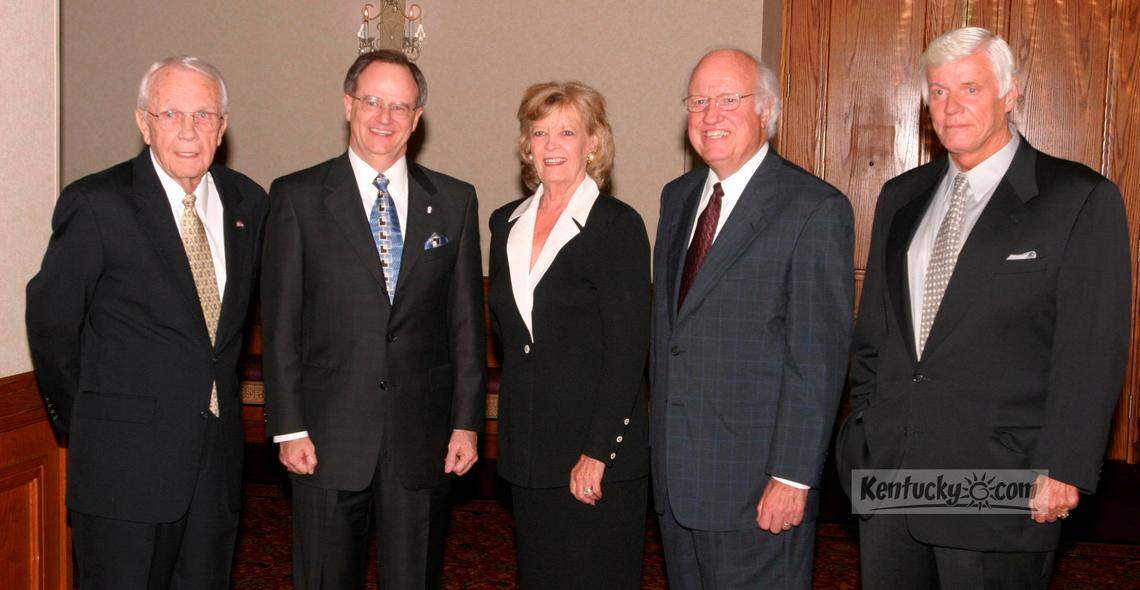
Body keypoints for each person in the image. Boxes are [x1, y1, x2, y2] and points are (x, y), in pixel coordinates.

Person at [838, 27, 1130, 588]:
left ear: (1010, 93)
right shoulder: (901, 197)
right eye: (939, 92)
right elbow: (874, 335)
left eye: (970, 89)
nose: (951, 107)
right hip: (892, 474)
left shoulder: (1077, 199)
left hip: (1001, 477)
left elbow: (1092, 349)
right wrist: (863, 435)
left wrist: (1065, 467)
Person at [26, 56, 266, 588]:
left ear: (223, 128)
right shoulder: (97, 203)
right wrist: (89, 419)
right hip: (122, 469)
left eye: (204, 115)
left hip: (215, 468)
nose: (188, 130)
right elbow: (51, 324)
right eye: (171, 114)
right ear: (143, 122)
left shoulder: (247, 202)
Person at [260, 49, 485, 589]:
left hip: (422, 437)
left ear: (417, 117)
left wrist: (467, 422)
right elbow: (281, 324)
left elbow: (465, 325)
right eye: (373, 101)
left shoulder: (454, 201)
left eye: (401, 106)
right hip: (325, 437)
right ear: (348, 105)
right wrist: (289, 426)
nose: (385, 117)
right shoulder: (297, 197)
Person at [650, 48, 855, 588]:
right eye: (698, 101)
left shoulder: (813, 208)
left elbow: (817, 359)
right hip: (678, 480)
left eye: (728, 99)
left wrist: (792, 475)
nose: (709, 114)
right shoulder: (677, 199)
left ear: (765, 110)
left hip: (757, 486)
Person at [487, 81, 651, 589]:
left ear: (593, 143)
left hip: (595, 456)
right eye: (539, 132)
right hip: (530, 453)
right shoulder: (503, 225)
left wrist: (598, 451)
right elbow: (516, 343)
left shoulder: (617, 226)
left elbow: (628, 352)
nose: (551, 144)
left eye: (566, 131)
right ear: (526, 144)